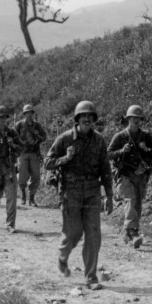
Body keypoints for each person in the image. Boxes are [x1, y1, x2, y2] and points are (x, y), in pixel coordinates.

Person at [45, 101, 114, 290]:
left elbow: (105, 169)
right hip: (71, 192)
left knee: (93, 234)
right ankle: (63, 256)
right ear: (77, 119)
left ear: (94, 121)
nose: (87, 120)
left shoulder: (99, 141)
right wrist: (65, 159)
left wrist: (109, 195)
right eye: (83, 117)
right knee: (74, 233)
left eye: (90, 117)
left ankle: (91, 276)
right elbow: (47, 162)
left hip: (92, 191)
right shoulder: (65, 139)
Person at [107, 105, 152, 248]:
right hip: (125, 175)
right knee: (130, 201)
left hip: (141, 176)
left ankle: (127, 232)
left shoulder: (146, 136)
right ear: (128, 119)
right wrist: (121, 151)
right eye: (133, 118)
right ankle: (133, 233)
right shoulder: (120, 137)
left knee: (137, 204)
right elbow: (108, 154)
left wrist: (148, 149)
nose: (136, 121)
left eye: (138, 118)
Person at [15, 104, 48, 207]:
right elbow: (13, 137)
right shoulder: (19, 125)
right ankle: (23, 195)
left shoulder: (37, 125)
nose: (29, 115)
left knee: (36, 176)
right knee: (22, 176)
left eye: (31, 113)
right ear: (24, 114)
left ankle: (32, 198)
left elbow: (44, 137)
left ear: (33, 114)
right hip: (22, 153)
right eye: (27, 113)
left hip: (34, 153)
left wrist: (37, 136)